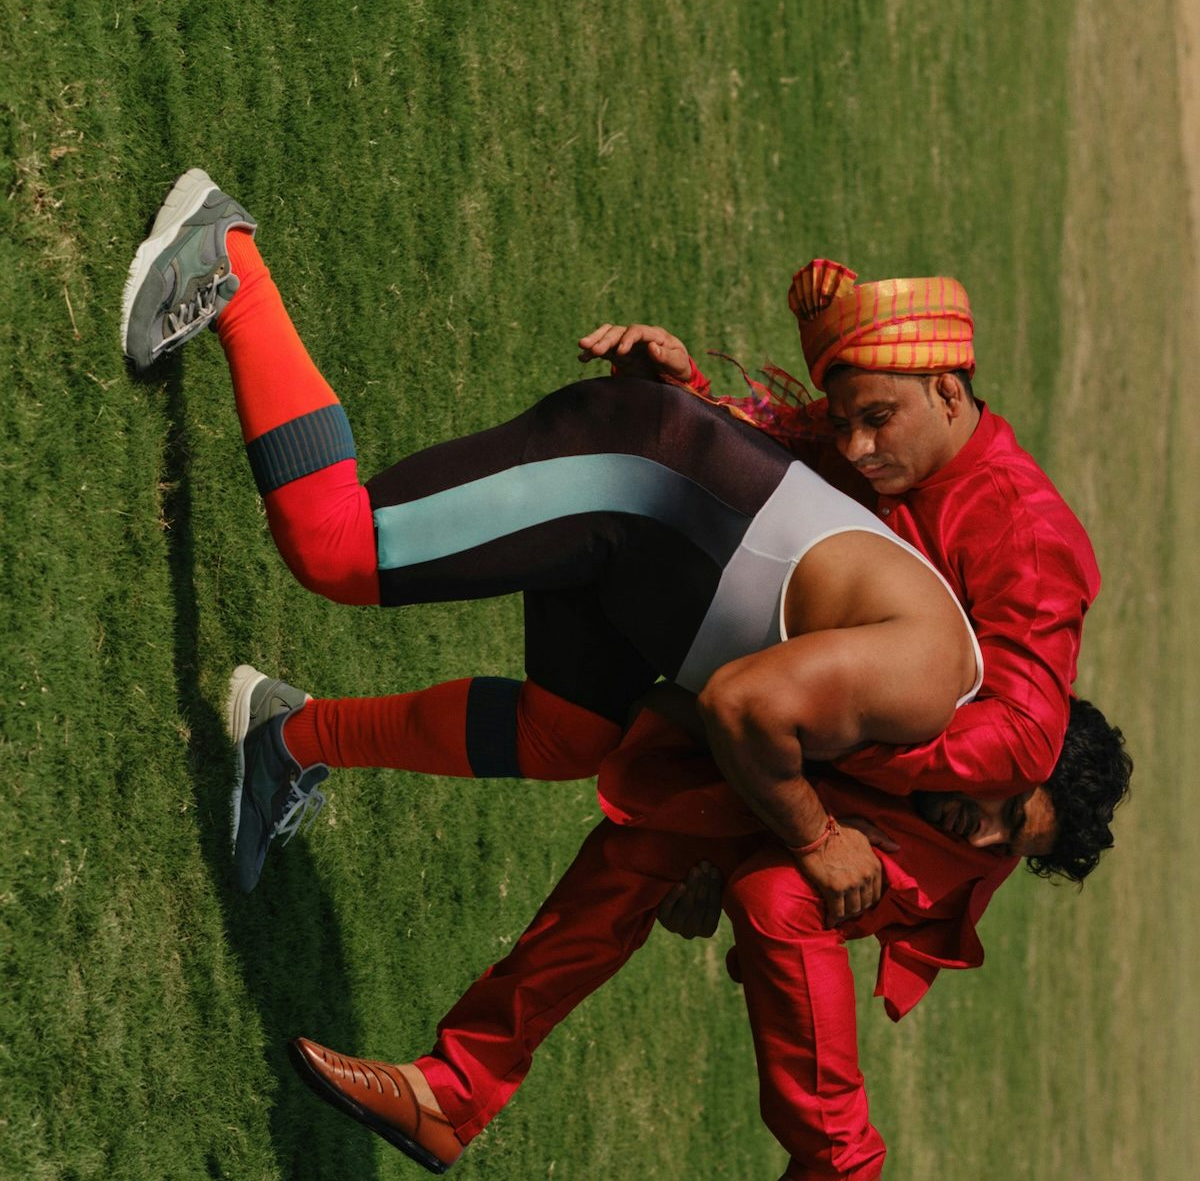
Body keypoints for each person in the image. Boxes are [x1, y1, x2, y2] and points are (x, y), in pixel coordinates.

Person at [124, 173, 987, 918]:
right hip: (635, 474)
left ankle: (287, 738)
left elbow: (681, 719)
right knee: (335, 547)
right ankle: (230, 260)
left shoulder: (901, 732)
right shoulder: (927, 687)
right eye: (1004, 821)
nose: (976, 838)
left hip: (650, 565)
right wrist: (816, 839)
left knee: (566, 737)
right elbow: (739, 707)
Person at [285, 696, 1132, 1181]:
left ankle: (840, 1159)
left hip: (764, 782)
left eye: (1009, 843)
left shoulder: (952, 857)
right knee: (639, 854)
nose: (983, 830)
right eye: (1006, 806)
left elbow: (800, 931)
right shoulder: (938, 702)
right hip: (745, 734)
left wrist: (737, 893)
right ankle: (452, 1091)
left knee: (772, 892)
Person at [578, 258, 1101, 796]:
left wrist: (839, 733)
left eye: (877, 421)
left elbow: (1022, 737)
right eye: (843, 425)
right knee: (574, 735)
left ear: (947, 393)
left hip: (847, 787)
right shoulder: (863, 447)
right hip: (751, 709)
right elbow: (767, 452)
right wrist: (676, 388)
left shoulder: (1028, 535)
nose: (856, 449)